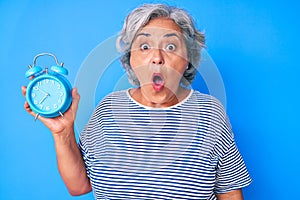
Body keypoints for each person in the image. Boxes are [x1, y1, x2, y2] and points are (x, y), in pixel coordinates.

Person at [22, 3, 251, 200]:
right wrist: (62, 132)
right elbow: (79, 186)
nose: (157, 57)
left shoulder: (210, 113)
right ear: (130, 59)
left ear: (188, 60)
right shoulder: (108, 109)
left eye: (171, 47)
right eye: (144, 46)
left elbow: (230, 193)